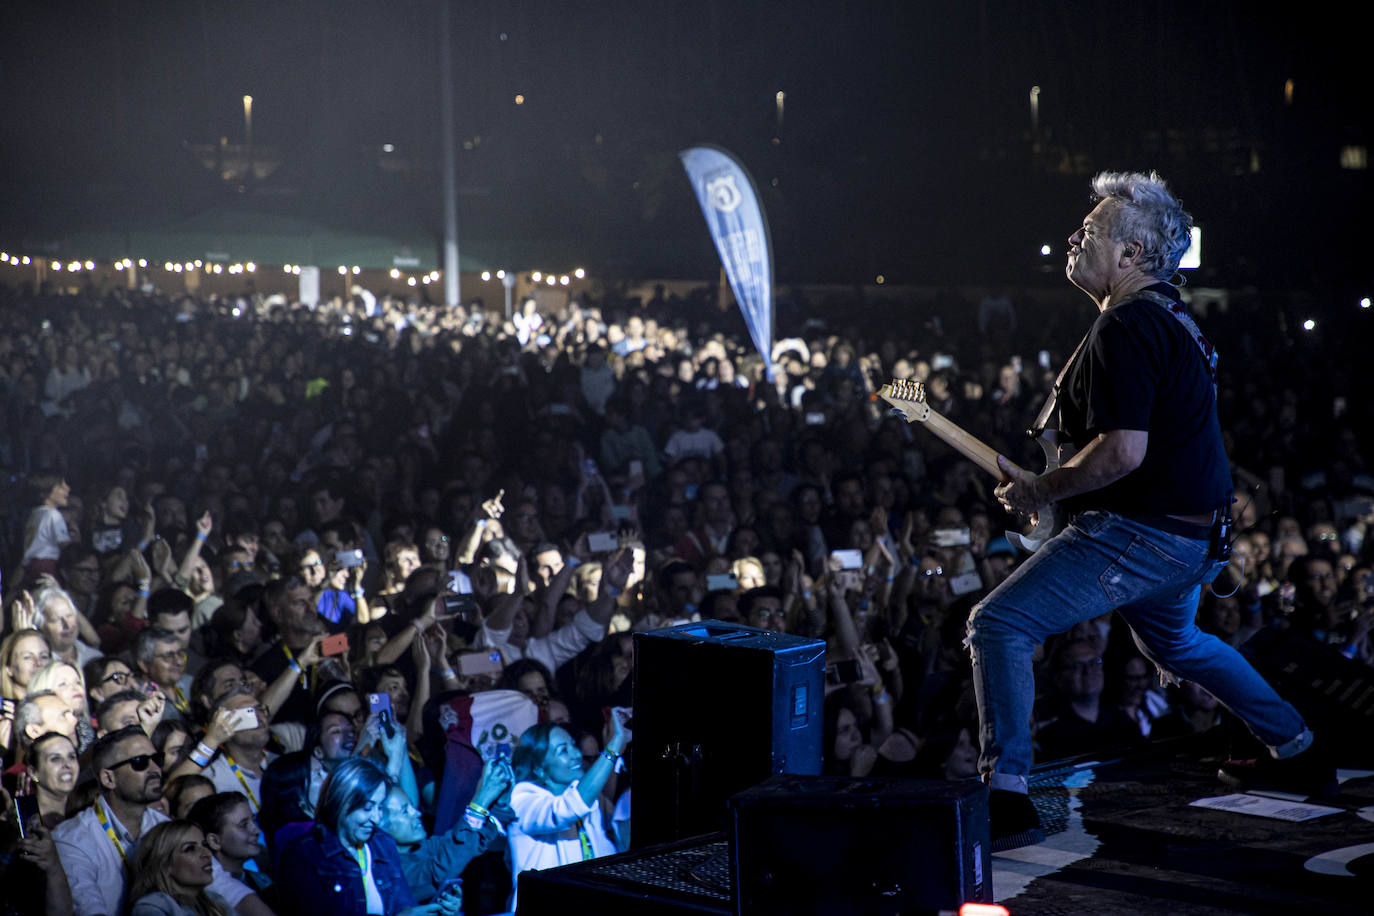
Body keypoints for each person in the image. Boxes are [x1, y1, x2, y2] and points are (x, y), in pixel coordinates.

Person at [968, 171, 1324, 851]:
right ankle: (1298, 748)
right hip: (1191, 539)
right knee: (1180, 644)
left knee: (999, 623)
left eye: (1092, 230)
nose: (1074, 236)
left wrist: (1042, 491)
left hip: (1141, 535)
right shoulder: (1177, 318)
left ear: (1131, 253)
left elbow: (1125, 452)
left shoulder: (1124, 325)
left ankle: (1006, 797)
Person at [52, 726, 269, 916]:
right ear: (109, 778)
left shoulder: (161, 825)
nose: (155, 769)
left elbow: (225, 888)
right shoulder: (73, 838)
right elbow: (86, 907)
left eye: (157, 759)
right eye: (140, 762)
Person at [275, 756, 448, 916]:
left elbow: (403, 906)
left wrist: (437, 909)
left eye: (379, 807)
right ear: (340, 802)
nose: (376, 818)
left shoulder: (382, 843)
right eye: (367, 808)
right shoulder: (304, 855)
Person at [506, 711, 628, 909]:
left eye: (573, 745)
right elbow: (566, 810)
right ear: (538, 767)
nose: (576, 754)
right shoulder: (523, 799)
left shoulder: (581, 793)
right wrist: (614, 745)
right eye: (563, 750)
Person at [379, 756, 510, 902]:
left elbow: (466, 842)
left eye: (412, 806)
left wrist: (500, 800)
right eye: (405, 811)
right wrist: (480, 801)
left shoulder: (423, 848)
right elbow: (443, 868)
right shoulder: (389, 869)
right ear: (380, 825)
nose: (416, 813)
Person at [124, 820, 227, 916]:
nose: (207, 853)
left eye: (204, 845)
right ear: (164, 864)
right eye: (190, 849)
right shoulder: (151, 908)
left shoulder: (217, 902)